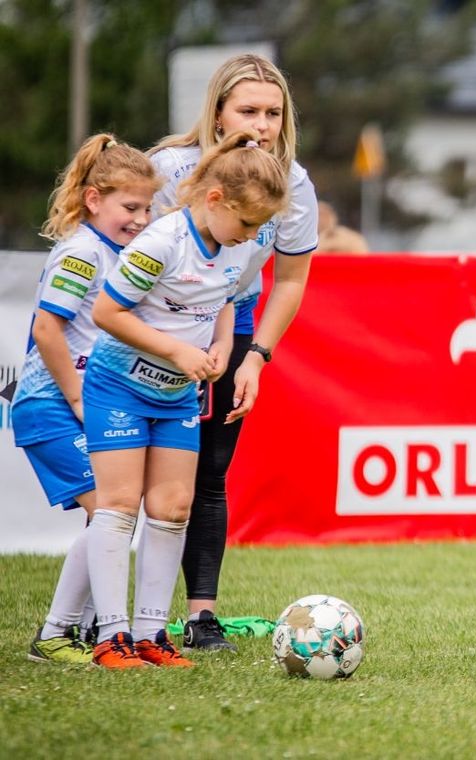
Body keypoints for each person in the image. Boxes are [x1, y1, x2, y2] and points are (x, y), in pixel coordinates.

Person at [82, 132, 289, 668]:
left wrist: (221, 347)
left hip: (177, 394)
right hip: (119, 386)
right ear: (216, 200)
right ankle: (111, 637)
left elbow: (227, 303)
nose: (251, 238)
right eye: (247, 224)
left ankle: (152, 635)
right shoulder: (162, 241)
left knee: (173, 508)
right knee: (120, 506)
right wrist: (177, 348)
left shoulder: (233, 250)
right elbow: (107, 314)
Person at [150, 53, 319, 651]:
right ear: (217, 114)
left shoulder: (293, 183)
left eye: (274, 112)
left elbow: (291, 281)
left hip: (235, 324)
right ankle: (124, 619)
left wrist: (255, 357)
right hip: (157, 327)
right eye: (248, 109)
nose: (263, 123)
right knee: (144, 477)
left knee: (210, 473)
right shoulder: (169, 169)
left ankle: (201, 618)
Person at [15, 134, 161, 663]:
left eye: (147, 207)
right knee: (112, 515)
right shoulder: (80, 253)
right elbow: (49, 331)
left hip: (83, 403)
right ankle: (56, 635)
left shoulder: (120, 252)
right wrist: (77, 399)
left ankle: (71, 629)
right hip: (49, 407)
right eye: (130, 207)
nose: (142, 218)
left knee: (112, 517)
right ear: (94, 199)